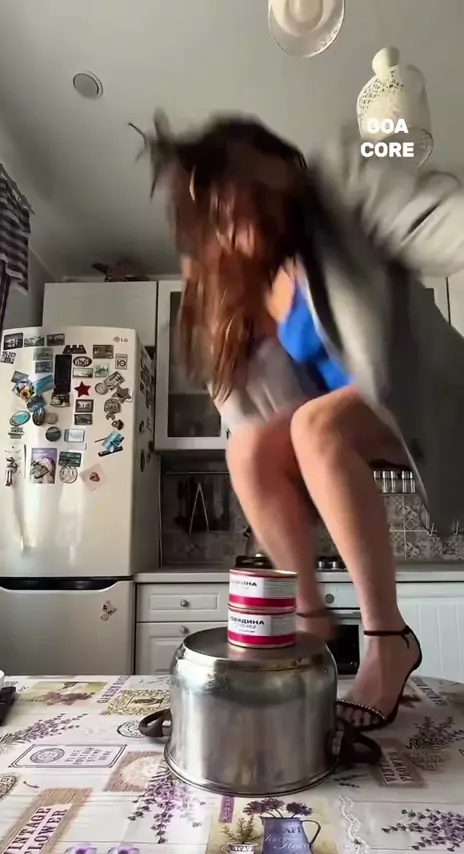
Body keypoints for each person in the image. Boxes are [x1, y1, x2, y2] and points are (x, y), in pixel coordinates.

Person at [145, 113, 464, 730]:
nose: (239, 226)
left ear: (278, 174)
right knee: (246, 449)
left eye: (245, 202)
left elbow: (433, 218)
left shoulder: (338, 186)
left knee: (316, 426)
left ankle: (388, 640)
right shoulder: (241, 291)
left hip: (435, 405)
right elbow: (251, 434)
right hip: (351, 428)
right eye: (221, 217)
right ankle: (310, 627)